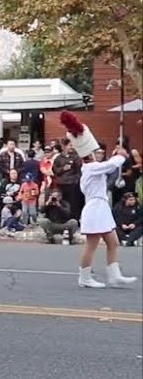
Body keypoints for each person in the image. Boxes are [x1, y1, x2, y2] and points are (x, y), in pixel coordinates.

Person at [59, 112, 136, 288]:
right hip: (94, 208)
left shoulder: (93, 167)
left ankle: (114, 275)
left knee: (113, 242)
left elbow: (109, 168)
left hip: (101, 207)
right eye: (95, 152)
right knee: (91, 245)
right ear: (89, 154)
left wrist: (119, 157)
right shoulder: (90, 167)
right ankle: (84, 277)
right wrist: (121, 156)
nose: (97, 154)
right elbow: (110, 166)